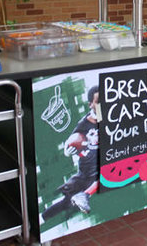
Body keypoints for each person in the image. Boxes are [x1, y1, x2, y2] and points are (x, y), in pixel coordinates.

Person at [41, 86, 99, 222]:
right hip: (86, 172)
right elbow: (71, 141)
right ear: (90, 104)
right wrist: (67, 151)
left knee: (68, 202)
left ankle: (41, 219)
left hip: (98, 170)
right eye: (99, 101)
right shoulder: (83, 124)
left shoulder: (109, 117)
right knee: (65, 202)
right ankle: (41, 219)